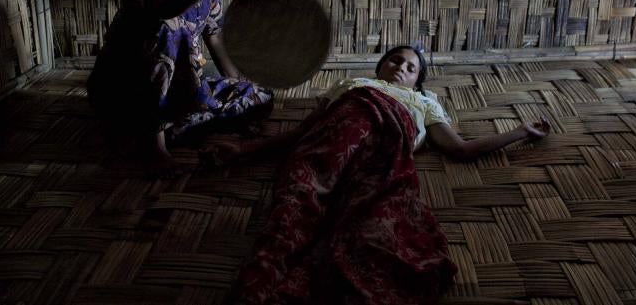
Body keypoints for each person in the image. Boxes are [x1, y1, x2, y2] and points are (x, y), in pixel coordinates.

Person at [206, 45, 551, 305]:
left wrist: (519, 132)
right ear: (380, 65)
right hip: (327, 149)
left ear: (418, 80)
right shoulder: (353, 85)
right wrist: (244, 150)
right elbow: (306, 130)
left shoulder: (423, 102)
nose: (401, 67)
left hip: (381, 160)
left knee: (371, 236)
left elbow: (461, 148)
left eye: (411, 67)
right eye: (395, 60)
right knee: (290, 220)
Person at [87, 0, 273, 172]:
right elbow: (164, 6)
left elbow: (215, 36)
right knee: (169, 29)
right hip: (127, 89)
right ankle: (155, 145)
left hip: (177, 91)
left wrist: (236, 86)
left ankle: (156, 130)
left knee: (259, 97)